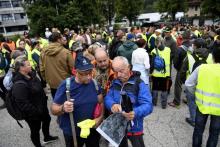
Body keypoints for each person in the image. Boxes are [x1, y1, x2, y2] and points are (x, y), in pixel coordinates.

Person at [51, 56, 104, 147]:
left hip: (91, 128)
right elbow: (53, 109)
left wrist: (100, 118)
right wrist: (63, 108)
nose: (88, 76)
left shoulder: (94, 84)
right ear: (75, 72)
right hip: (72, 131)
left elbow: (100, 102)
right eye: (84, 74)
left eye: (90, 72)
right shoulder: (66, 85)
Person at [105, 56, 152, 147]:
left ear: (129, 67)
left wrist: (134, 113)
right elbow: (108, 98)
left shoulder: (139, 83)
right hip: (118, 125)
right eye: (115, 71)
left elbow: (148, 105)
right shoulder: (115, 82)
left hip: (135, 128)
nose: (118, 75)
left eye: (121, 71)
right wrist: (112, 104)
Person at [11, 56, 58, 147]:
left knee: (47, 120)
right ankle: (38, 145)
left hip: (41, 107)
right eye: (28, 65)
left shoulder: (31, 74)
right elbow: (23, 103)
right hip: (33, 113)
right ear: (21, 68)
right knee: (35, 129)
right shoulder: (19, 84)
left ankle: (47, 137)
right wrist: (35, 112)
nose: (30, 65)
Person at [185, 46, 220, 147]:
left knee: (198, 130)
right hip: (218, 110)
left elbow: (189, 84)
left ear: (212, 57)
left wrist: (195, 94)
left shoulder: (202, 68)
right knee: (214, 133)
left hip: (202, 105)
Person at [40, 32, 74, 98]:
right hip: (66, 84)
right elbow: (73, 69)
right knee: (69, 105)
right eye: (61, 38)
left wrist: (48, 80)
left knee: (57, 104)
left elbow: (42, 70)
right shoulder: (66, 52)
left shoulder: (43, 52)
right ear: (58, 40)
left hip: (52, 84)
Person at [169, 30, 191, 108]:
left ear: (182, 38)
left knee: (178, 85)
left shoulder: (180, 48)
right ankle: (188, 99)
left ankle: (176, 102)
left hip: (181, 69)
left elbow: (175, 62)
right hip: (191, 69)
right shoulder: (192, 47)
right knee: (190, 85)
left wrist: (178, 69)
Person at [150, 37, 171, 109]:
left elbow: (152, 64)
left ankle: (154, 103)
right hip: (165, 73)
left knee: (155, 88)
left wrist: (150, 72)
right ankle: (164, 105)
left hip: (155, 73)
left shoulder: (154, 51)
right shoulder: (168, 50)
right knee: (164, 89)